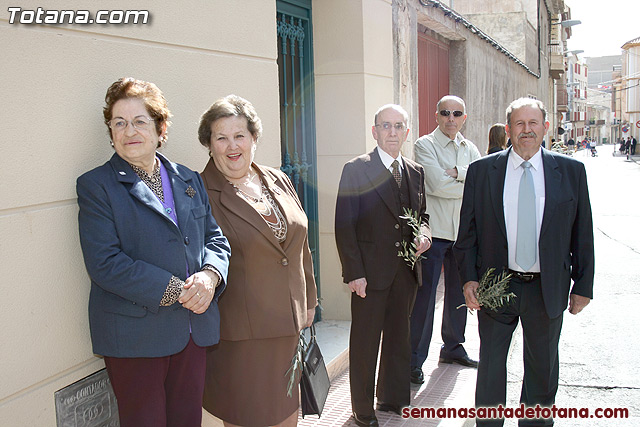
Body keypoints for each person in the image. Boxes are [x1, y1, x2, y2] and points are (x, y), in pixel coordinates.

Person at [76, 77, 231, 427]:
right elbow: (105, 263)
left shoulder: (188, 179)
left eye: (139, 121)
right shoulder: (96, 186)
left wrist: (210, 276)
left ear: (160, 127)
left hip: (193, 330)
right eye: (119, 122)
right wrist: (179, 291)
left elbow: (215, 239)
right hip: (135, 337)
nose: (129, 131)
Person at [454, 98, 594, 426]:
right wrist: (468, 279)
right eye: (519, 124)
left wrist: (583, 285)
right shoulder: (482, 172)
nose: (526, 130)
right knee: (490, 368)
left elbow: (582, 231)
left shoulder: (571, 172)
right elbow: (468, 233)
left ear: (546, 127)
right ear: (508, 130)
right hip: (496, 286)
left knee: (542, 372)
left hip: (547, 288)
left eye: (533, 123)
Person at [199, 95, 318, 427]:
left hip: (288, 328)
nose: (232, 146)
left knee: (287, 417)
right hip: (241, 338)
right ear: (209, 144)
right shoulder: (200, 192)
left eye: (240, 135)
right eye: (221, 138)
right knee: (247, 418)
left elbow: (299, 246)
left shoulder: (277, 178)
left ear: (253, 137)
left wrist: (309, 299)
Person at [335, 104, 431, 426]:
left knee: (399, 339)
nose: (392, 132)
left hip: (405, 273)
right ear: (374, 131)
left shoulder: (415, 172)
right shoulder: (357, 169)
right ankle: (363, 410)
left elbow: (423, 217)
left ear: (407, 132)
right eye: (385, 126)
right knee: (365, 344)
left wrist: (424, 235)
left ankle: (392, 397)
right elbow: (344, 225)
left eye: (398, 126)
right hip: (369, 276)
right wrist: (354, 273)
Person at [409, 95, 481, 385]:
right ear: (436, 116)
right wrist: (464, 179)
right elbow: (436, 184)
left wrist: (457, 173)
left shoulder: (471, 148)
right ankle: (414, 360)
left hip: (462, 235)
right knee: (424, 300)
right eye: (445, 113)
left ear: (464, 118)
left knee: (458, 295)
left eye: (457, 113)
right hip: (434, 234)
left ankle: (453, 348)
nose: (451, 118)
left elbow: (478, 186)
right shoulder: (424, 145)